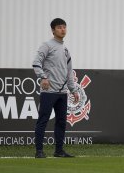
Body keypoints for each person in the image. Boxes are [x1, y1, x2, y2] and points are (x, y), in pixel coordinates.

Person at [32, 18, 79, 158]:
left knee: (61, 122)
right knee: (43, 120)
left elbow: (69, 72)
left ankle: (59, 151)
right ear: (53, 30)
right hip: (49, 91)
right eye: (59, 27)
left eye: (64, 27)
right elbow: (36, 62)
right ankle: (39, 151)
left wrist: (73, 90)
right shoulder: (47, 45)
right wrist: (43, 77)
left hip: (62, 93)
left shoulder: (65, 50)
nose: (63, 29)